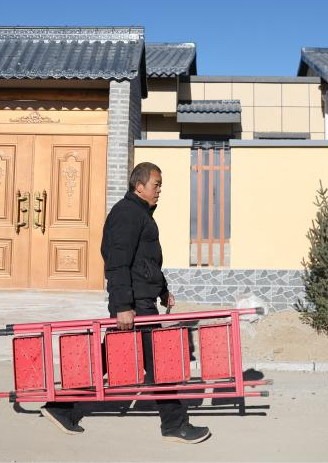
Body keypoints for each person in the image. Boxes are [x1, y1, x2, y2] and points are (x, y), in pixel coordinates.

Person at [41, 162, 211, 444]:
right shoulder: (127, 213)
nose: (159, 190)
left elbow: (145, 262)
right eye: (156, 184)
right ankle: (174, 425)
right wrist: (122, 306)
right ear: (139, 186)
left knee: (110, 358)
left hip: (139, 301)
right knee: (159, 364)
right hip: (133, 305)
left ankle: (61, 407)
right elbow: (117, 262)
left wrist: (162, 290)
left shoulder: (139, 213)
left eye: (160, 185)